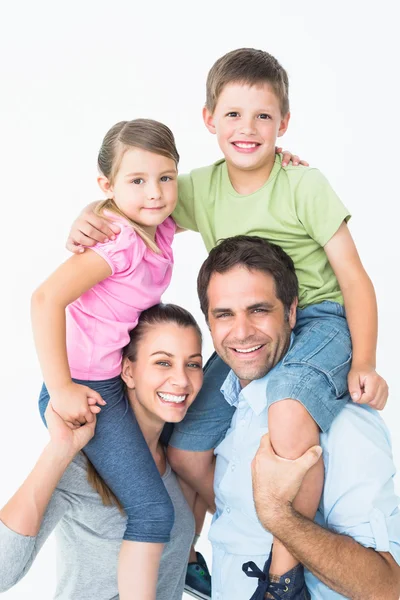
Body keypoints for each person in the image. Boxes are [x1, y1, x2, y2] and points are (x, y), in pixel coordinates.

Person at [64, 48, 388, 597]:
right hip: (249, 331)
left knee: (288, 406)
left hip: (318, 319)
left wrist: (365, 362)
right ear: (209, 119)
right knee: (185, 442)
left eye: (264, 116)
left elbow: (354, 278)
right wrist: (92, 215)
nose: (248, 128)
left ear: (283, 124)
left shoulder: (303, 185)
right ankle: (224, 540)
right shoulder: (196, 187)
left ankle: (283, 570)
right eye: (234, 114)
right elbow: (141, 195)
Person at [195, 235, 400, 599]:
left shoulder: (343, 422)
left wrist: (280, 516)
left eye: (259, 309)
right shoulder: (227, 409)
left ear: (291, 312)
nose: (241, 332)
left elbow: (387, 587)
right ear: (209, 323)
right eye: (224, 314)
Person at [31, 118, 182, 600]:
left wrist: (281, 164)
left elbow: (229, 187)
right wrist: (61, 390)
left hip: (117, 378)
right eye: (136, 181)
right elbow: (45, 300)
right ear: (108, 186)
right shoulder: (117, 241)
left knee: (191, 443)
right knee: (154, 511)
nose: (155, 193)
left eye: (165, 178)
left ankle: (187, 561)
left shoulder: (161, 225)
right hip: (83, 389)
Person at [0, 304, 205, 600]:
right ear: (128, 371)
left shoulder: (173, 457)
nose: (182, 380)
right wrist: (59, 451)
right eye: (163, 362)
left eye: (193, 364)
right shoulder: (82, 467)